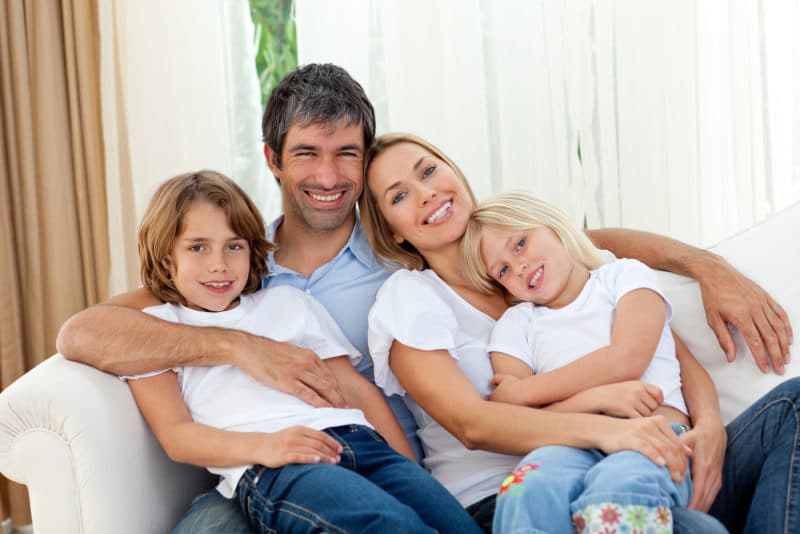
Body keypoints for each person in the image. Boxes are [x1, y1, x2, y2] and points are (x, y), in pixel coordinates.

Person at [55, 64, 791, 533]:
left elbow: (603, 259)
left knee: (788, 408)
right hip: (356, 463)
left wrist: (704, 274)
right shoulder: (241, 269)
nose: (329, 174)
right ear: (274, 159)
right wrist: (238, 344)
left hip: (505, 455)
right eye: (307, 153)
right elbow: (90, 332)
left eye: (348, 153)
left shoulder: (499, 254)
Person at [361, 132, 800, 533]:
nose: (426, 194)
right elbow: (474, 422)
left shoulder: (543, 265)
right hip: (520, 487)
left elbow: (669, 355)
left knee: (790, 404)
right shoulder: (414, 299)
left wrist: (709, 431)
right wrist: (606, 425)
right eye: (400, 196)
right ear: (392, 234)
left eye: (430, 170)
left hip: (649, 445)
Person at [125, 169, 479, 533]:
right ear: (167, 258)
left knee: (455, 524)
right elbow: (178, 436)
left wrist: (407, 468)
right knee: (390, 525)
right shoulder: (156, 330)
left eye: (234, 246)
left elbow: (355, 389)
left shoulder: (286, 301)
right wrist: (266, 447)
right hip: (281, 464)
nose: (219, 264)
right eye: (198, 247)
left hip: (362, 442)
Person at [460, 190, 693, 532]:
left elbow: (627, 358)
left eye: (520, 243)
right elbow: (516, 420)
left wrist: (522, 392)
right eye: (503, 270)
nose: (519, 266)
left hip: (654, 431)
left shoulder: (624, 276)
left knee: (616, 490)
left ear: (552, 225)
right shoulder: (516, 324)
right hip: (568, 445)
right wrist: (596, 399)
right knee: (525, 491)